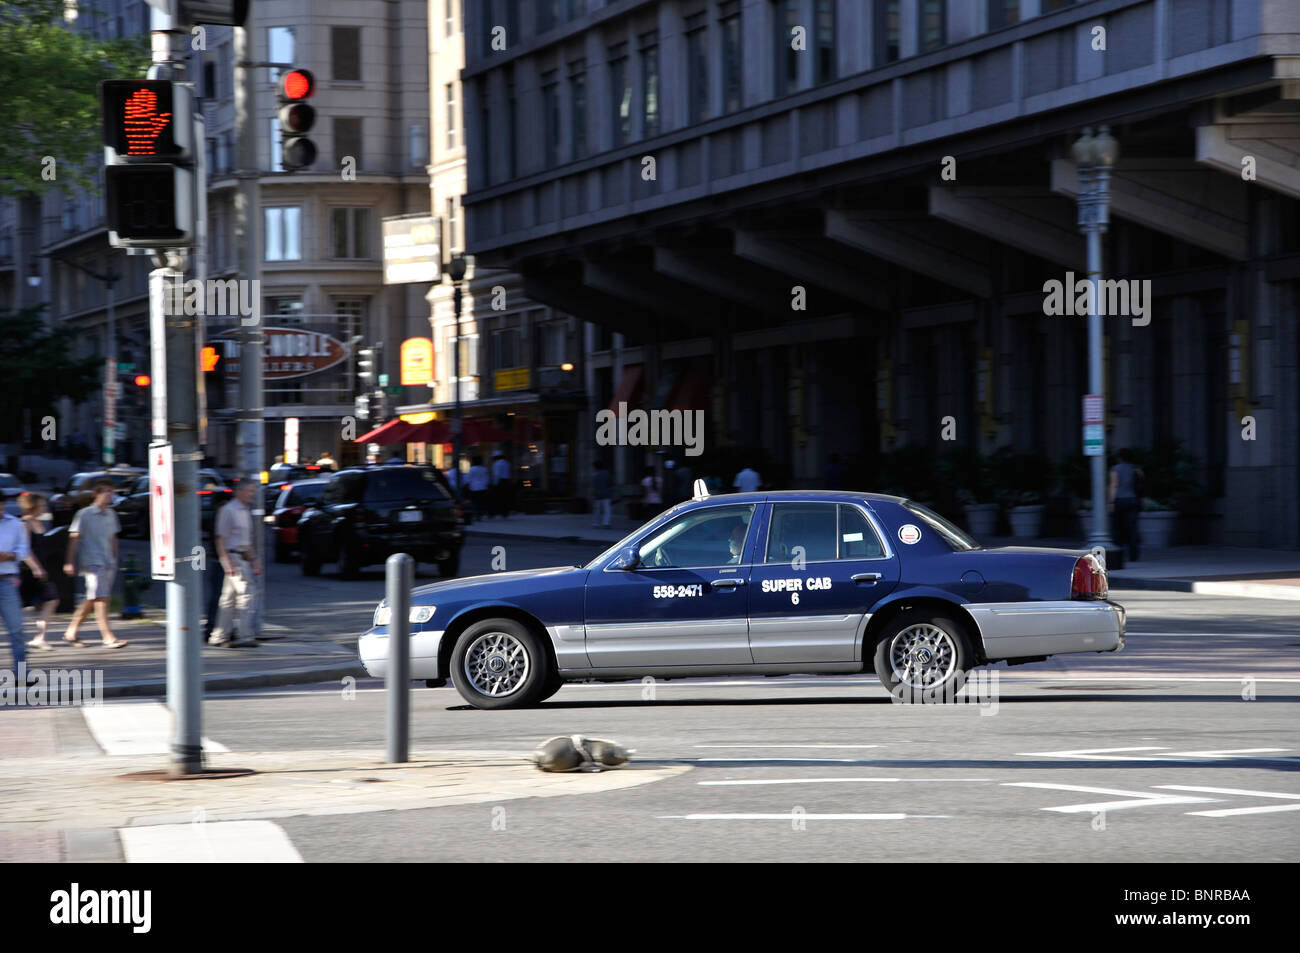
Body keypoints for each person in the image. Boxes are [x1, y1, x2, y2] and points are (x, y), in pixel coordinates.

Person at [62, 481, 127, 648]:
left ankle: (71, 631)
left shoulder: (111, 514)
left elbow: (113, 538)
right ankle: (107, 637)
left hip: (107, 561)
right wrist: (69, 561)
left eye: (111, 492)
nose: (110, 495)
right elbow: (74, 538)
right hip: (91, 561)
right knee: (101, 598)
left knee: (92, 597)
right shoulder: (84, 514)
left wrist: (114, 558)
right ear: (95, 494)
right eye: (106, 491)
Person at [208, 478, 261, 647]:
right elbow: (220, 539)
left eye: (253, 491)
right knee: (247, 596)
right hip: (234, 559)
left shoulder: (245, 511)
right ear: (240, 491)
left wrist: (254, 560)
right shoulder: (228, 510)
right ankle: (244, 635)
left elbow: (247, 541)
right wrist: (226, 563)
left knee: (228, 600)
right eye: (250, 491)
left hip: (242, 558)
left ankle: (219, 636)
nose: (252, 494)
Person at [18, 494, 59, 650]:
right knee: (17, 605)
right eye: (42, 505)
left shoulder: (38, 522)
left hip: (40, 569)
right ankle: (36, 637)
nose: (44, 507)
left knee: (51, 599)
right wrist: (36, 568)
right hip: (27, 571)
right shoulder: (25, 523)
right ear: (32, 506)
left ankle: (40, 637)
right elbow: (25, 550)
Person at [0, 507, 32, 675]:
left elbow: (23, 550)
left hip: (6, 579)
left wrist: (9, 556)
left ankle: (22, 673)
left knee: (16, 629)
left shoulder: (14, 524)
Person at [1109, 448, 1145, 562]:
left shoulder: (1115, 469)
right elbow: (1142, 484)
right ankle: (1134, 555)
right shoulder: (1136, 469)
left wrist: (1110, 502)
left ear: (1119, 457)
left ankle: (1119, 554)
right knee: (1132, 528)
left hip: (1120, 500)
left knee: (1117, 528)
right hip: (1133, 500)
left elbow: (1114, 485)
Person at [467, 455, 490, 520]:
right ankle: (482, 513)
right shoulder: (484, 469)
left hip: (474, 487)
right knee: (482, 501)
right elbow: (487, 478)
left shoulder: (471, 469)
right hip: (483, 487)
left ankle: (476, 514)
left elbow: (469, 479)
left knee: (475, 501)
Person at [490, 451, 512, 517]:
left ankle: (498, 511)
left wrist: (494, 484)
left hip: (500, 482)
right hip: (507, 481)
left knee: (498, 497)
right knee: (505, 497)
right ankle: (505, 512)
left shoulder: (496, 464)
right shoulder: (507, 463)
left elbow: (496, 475)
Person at [592, 460, 612, 528]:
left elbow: (593, 486)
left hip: (597, 495)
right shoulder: (607, 473)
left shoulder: (595, 475)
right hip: (606, 494)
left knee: (597, 510)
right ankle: (606, 523)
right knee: (607, 510)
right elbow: (610, 483)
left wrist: (593, 494)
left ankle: (595, 523)